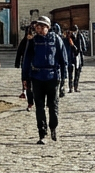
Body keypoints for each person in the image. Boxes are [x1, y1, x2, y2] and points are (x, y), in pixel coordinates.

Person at [22, 15, 68, 143]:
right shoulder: (33, 41)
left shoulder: (56, 40)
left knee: (53, 106)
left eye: (43, 26)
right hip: (37, 77)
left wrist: (63, 80)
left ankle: (53, 127)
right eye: (38, 26)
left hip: (52, 77)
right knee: (39, 106)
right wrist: (25, 78)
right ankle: (42, 133)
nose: (40, 29)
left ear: (48, 27)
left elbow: (63, 60)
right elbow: (26, 61)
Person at [64, 28, 84, 92]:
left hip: (75, 56)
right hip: (71, 56)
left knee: (75, 72)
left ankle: (74, 87)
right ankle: (72, 87)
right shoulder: (67, 37)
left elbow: (82, 46)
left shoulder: (78, 36)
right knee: (71, 72)